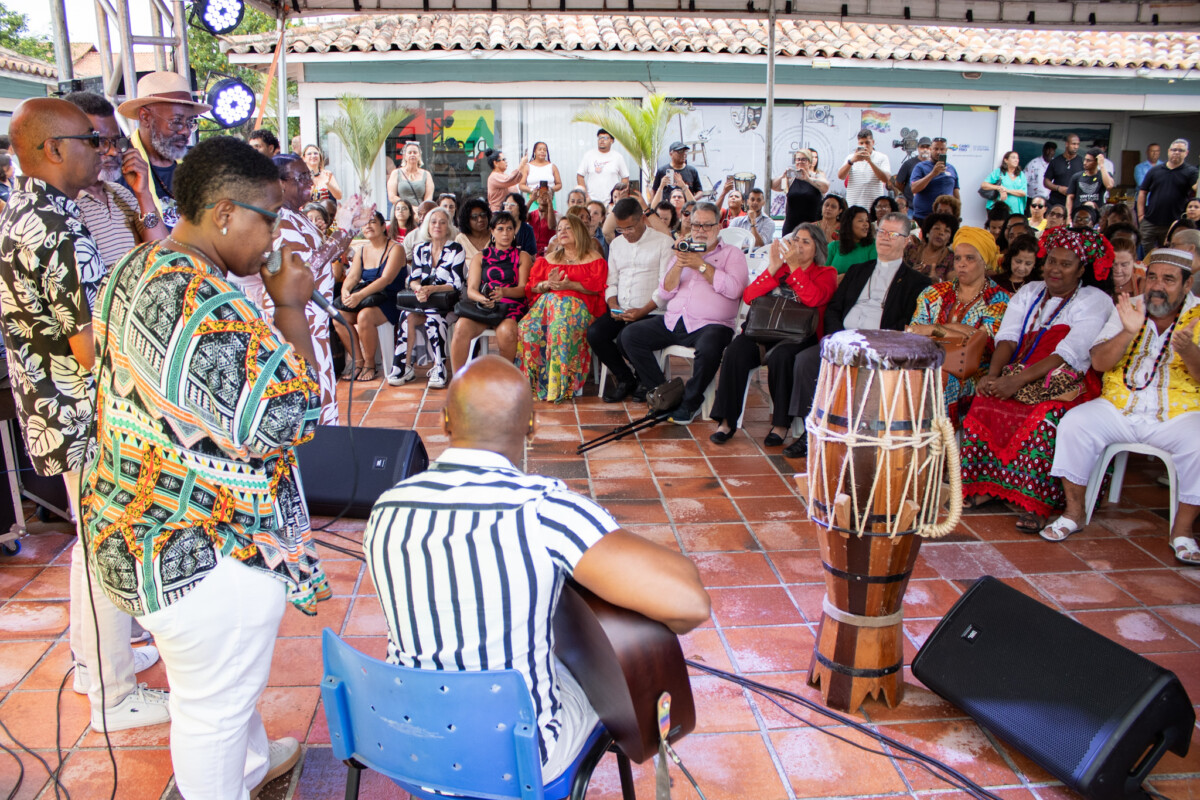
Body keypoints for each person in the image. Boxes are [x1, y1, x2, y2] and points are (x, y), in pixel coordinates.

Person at [82, 135, 323, 799]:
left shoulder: (142, 265)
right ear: (222, 214)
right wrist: (290, 307)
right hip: (199, 546)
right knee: (210, 707)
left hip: (139, 519)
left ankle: (249, 768)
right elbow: (291, 419)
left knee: (219, 687)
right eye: (269, 217)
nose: (279, 232)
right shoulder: (202, 304)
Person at [363, 355, 710, 781]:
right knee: (599, 679)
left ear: (444, 421)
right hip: (516, 762)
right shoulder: (544, 510)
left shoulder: (387, 506)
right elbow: (690, 604)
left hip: (407, 744)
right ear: (532, 426)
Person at [0, 96, 169, 734]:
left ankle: (97, 654)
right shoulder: (56, 223)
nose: (101, 152)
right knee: (105, 544)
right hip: (79, 410)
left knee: (94, 542)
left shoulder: (28, 209)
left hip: (54, 406)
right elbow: (88, 340)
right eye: (89, 143)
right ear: (51, 149)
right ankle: (111, 691)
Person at [960, 226, 1115, 532]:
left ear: (1082, 268)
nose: (1055, 269)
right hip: (1022, 371)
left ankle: (1036, 503)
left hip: (1069, 381)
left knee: (1044, 417)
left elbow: (1068, 353)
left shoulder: (1093, 299)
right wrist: (995, 376)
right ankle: (987, 488)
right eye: (1052, 262)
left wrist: (1015, 383)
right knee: (985, 400)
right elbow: (1007, 338)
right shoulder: (1030, 292)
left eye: (1066, 264)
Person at [1044, 248, 1199, 554]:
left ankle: (1182, 532)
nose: (1157, 285)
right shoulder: (1129, 308)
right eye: (1152, 277)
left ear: (1187, 283)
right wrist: (1128, 331)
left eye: (1168, 279)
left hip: (1177, 414)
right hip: (1118, 406)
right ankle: (1074, 514)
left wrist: (1189, 350)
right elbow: (1099, 362)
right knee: (1075, 424)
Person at [781, 213, 932, 458]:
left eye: (893, 234)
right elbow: (834, 309)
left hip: (880, 347)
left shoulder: (917, 283)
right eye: (882, 231)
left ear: (907, 242)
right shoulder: (858, 270)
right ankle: (813, 430)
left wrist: (876, 344)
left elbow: (907, 324)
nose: (885, 238)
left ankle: (848, 432)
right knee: (806, 361)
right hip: (844, 339)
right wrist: (837, 339)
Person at [620, 202, 749, 424]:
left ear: (718, 226)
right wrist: (679, 263)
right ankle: (666, 394)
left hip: (712, 324)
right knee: (629, 336)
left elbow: (735, 289)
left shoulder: (732, 255)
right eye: (696, 225)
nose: (700, 231)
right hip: (674, 320)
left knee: (710, 347)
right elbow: (665, 291)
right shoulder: (683, 250)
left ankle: (690, 402)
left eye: (707, 226)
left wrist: (701, 265)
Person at [709, 224, 836, 445]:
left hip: (799, 337)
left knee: (782, 357)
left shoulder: (826, 273)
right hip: (763, 330)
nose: (798, 245)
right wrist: (772, 268)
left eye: (806, 242)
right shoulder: (780, 269)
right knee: (735, 352)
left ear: (817, 249)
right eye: (796, 239)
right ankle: (726, 421)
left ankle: (780, 424)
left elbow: (814, 299)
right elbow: (749, 297)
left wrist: (796, 269)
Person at [266, 155, 371, 424]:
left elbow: (321, 256)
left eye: (308, 177)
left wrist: (349, 230)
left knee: (324, 399)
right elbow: (305, 272)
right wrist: (343, 228)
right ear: (278, 183)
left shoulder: (295, 215)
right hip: (298, 326)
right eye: (299, 177)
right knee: (311, 402)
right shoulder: (279, 220)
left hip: (315, 324)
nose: (308, 183)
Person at [908, 227, 1011, 425]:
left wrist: (932, 329)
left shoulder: (1000, 300)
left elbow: (979, 343)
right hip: (925, 365)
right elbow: (913, 334)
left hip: (973, 377)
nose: (961, 264)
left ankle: (941, 448)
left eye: (970, 259)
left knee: (942, 380)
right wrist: (947, 330)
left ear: (985, 262)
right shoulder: (933, 293)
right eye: (958, 258)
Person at [65, 91, 167, 269]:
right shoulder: (65, 204)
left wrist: (143, 194)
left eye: (115, 141)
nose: (113, 152)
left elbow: (162, 254)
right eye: (100, 142)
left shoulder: (120, 193)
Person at [588, 198, 674, 403]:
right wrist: (613, 305)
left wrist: (642, 311)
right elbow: (612, 281)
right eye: (620, 229)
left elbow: (666, 288)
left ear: (643, 219)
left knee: (629, 336)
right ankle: (626, 378)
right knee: (595, 333)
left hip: (652, 311)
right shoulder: (617, 244)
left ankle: (646, 379)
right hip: (622, 309)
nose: (625, 233)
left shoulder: (664, 243)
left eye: (630, 228)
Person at [518, 214, 608, 401]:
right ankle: (532, 383)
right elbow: (532, 287)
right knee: (527, 328)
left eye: (567, 228)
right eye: (559, 229)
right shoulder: (549, 258)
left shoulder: (594, 258)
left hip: (578, 309)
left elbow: (598, 288)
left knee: (561, 321)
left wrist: (571, 286)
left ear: (579, 230)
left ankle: (560, 385)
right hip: (547, 308)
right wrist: (547, 284)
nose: (562, 232)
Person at [115, 71, 212, 230]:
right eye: (176, 122)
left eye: (189, 122)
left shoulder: (197, 165)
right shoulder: (120, 170)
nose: (185, 131)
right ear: (145, 117)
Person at [448, 210, 531, 373]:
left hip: (510, 307)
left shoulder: (522, 256)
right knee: (461, 327)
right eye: (500, 229)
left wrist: (504, 293)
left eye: (509, 229)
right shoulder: (480, 257)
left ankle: (506, 377)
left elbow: (523, 289)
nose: (505, 233)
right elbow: (471, 290)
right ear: (492, 232)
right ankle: (458, 380)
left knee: (507, 332)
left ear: (515, 232)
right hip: (484, 307)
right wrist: (483, 299)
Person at [391, 207, 464, 389]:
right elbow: (413, 279)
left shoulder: (456, 249)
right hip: (423, 300)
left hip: (447, 303)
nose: (437, 225)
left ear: (448, 226)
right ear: (427, 226)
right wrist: (419, 289)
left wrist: (431, 289)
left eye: (442, 222)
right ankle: (403, 366)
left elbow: (456, 284)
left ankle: (440, 368)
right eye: (433, 222)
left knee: (433, 316)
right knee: (405, 316)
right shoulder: (420, 249)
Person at [332, 211, 406, 382]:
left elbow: (386, 279)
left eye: (372, 222)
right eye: (364, 223)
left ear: (382, 226)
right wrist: (345, 291)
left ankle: (370, 364)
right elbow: (352, 277)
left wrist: (359, 296)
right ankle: (358, 361)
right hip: (368, 298)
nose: (368, 226)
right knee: (339, 316)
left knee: (364, 316)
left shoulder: (396, 249)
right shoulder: (362, 250)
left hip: (390, 299)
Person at [1139, 139, 1199, 251]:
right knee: (1144, 254)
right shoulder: (1155, 170)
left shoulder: (1191, 172)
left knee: (1168, 253)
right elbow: (1143, 191)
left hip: (1173, 223)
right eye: (1174, 149)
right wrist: (1140, 216)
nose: (1176, 152)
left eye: (1181, 150)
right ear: (1168, 151)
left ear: (1186, 153)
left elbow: (1196, 188)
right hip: (1150, 221)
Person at [774, 149, 828, 236]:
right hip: (791, 227)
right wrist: (783, 176)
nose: (800, 162)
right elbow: (774, 186)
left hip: (812, 227)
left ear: (810, 162)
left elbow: (825, 187)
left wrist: (808, 179)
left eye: (804, 159)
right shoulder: (791, 179)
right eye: (798, 159)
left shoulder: (816, 176)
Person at [837, 129, 891, 209]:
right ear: (858, 144)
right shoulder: (850, 158)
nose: (864, 146)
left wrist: (870, 162)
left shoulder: (882, 157)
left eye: (867, 142)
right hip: (853, 206)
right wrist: (851, 161)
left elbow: (886, 178)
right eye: (861, 143)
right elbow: (841, 176)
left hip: (874, 207)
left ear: (873, 142)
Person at [910, 137, 960, 223]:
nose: (939, 152)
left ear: (946, 150)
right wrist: (933, 173)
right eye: (936, 149)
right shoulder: (920, 167)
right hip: (923, 217)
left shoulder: (952, 168)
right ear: (930, 149)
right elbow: (914, 188)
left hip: (946, 218)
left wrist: (958, 215)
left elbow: (956, 193)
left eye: (942, 149)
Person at [576, 128, 629, 203]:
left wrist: (619, 195)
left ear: (612, 141)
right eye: (600, 138)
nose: (602, 140)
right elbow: (580, 176)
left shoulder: (618, 157)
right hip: (592, 201)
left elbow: (625, 177)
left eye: (605, 138)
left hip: (611, 202)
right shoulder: (589, 155)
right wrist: (586, 196)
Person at [905, 212, 957, 281]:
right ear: (928, 232)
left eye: (947, 231)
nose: (941, 233)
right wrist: (910, 274)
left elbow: (953, 287)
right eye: (937, 228)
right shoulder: (910, 249)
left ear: (950, 238)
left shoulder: (952, 259)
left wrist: (938, 282)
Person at [1066, 148, 1114, 218]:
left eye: (1088, 161)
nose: (1085, 163)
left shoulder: (1103, 175)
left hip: (1097, 215)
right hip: (1079, 214)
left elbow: (1109, 185)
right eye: (1084, 159)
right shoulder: (1076, 177)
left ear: (1096, 162)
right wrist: (1068, 216)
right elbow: (1070, 197)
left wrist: (1102, 166)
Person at [828, 205, 876, 275]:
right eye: (860, 221)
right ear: (849, 224)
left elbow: (872, 275)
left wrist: (846, 277)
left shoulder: (873, 245)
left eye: (867, 221)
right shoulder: (833, 246)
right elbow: (821, 274)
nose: (866, 224)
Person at [388, 141, 434, 208]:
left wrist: (420, 210)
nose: (412, 155)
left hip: (419, 213)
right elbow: (392, 197)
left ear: (419, 156)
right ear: (405, 156)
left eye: (415, 152)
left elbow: (428, 198)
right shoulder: (396, 173)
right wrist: (411, 208)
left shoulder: (427, 174)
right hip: (401, 212)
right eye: (409, 152)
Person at [981, 150, 1028, 216]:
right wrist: (999, 188)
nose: (1016, 160)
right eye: (1013, 158)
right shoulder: (999, 172)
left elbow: (1023, 192)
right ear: (1006, 160)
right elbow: (984, 185)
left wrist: (1007, 190)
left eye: (1017, 158)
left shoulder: (1021, 175)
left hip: (1015, 210)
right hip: (999, 209)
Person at [1043, 134, 1083, 210]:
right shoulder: (1055, 162)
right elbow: (1046, 181)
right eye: (1073, 144)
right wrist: (1058, 188)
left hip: (1075, 203)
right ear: (1067, 144)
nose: (1076, 147)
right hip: (1056, 203)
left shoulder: (1082, 162)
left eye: (1078, 144)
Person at [892, 136, 931, 214]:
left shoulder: (935, 165)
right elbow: (898, 183)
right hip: (911, 208)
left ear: (931, 149)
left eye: (927, 147)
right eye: (922, 147)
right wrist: (908, 191)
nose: (925, 149)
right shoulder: (909, 163)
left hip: (929, 208)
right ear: (918, 148)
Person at [456, 196, 492, 261]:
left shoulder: (496, 235)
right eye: (474, 217)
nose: (480, 219)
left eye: (483, 215)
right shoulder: (460, 239)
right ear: (467, 220)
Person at [528, 182, 557, 255]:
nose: (543, 195)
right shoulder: (532, 214)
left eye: (546, 193)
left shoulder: (557, 215)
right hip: (532, 251)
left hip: (549, 251)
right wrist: (531, 199)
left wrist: (549, 202)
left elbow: (551, 226)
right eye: (541, 193)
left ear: (552, 197)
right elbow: (521, 217)